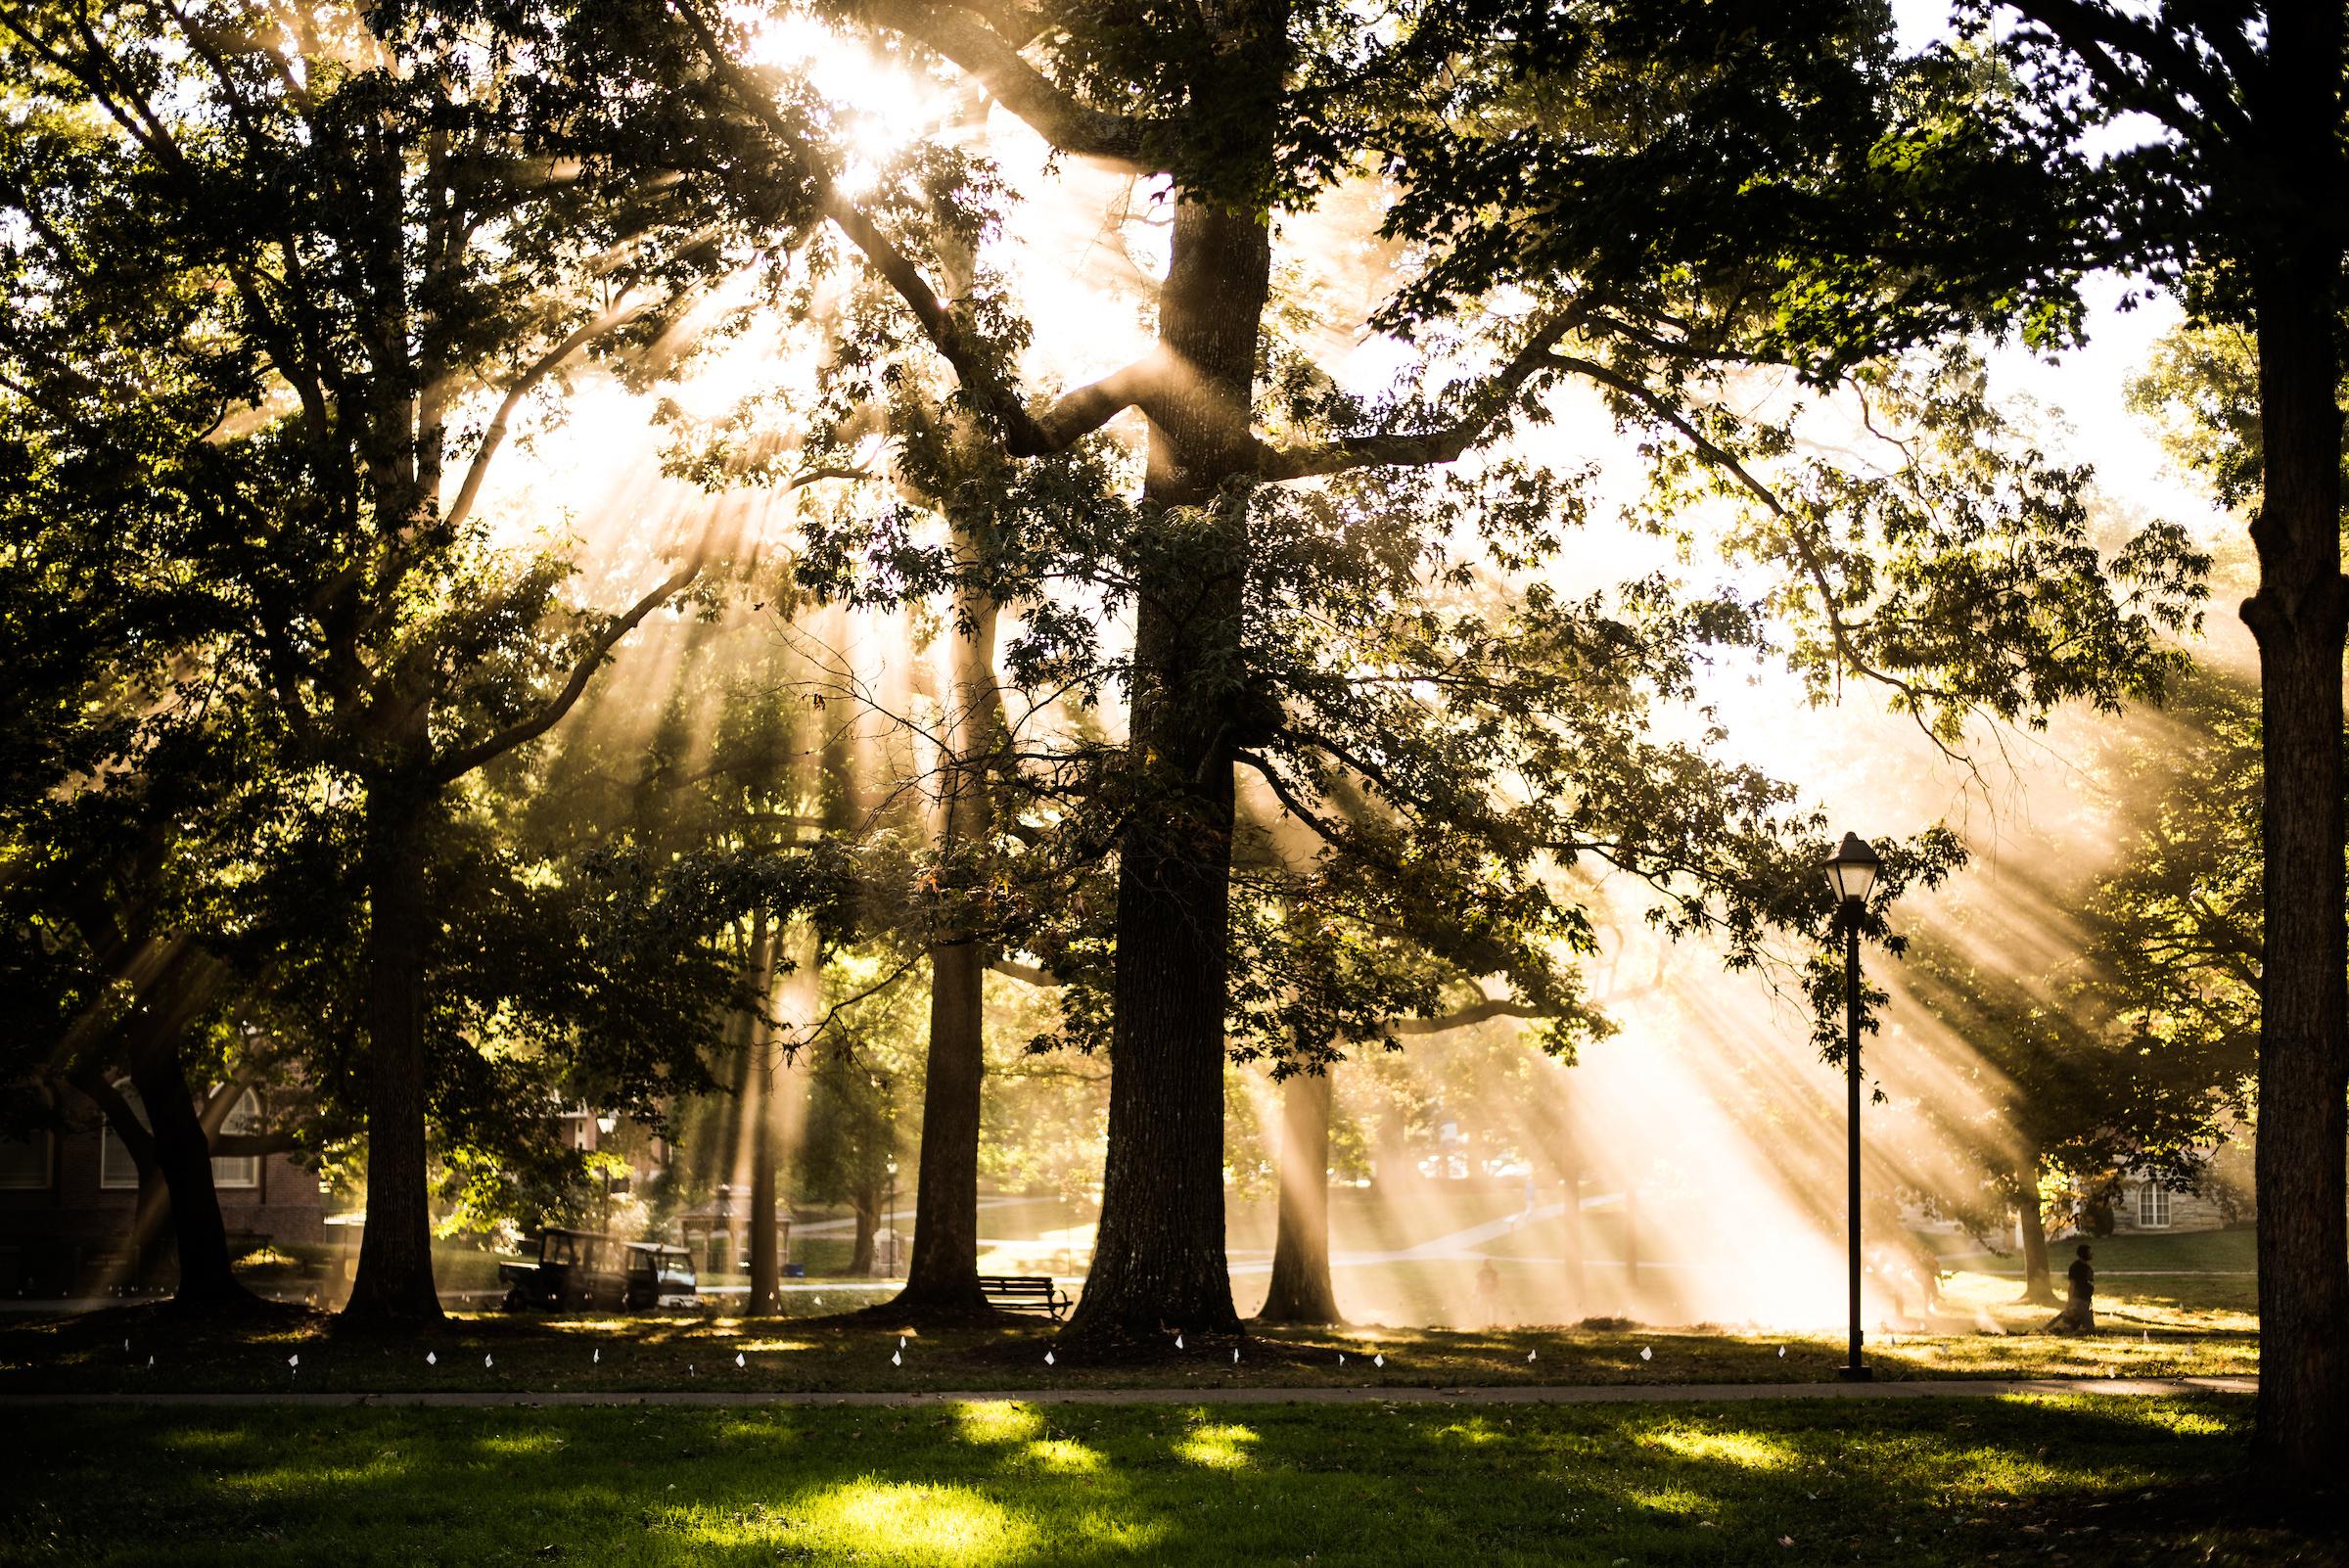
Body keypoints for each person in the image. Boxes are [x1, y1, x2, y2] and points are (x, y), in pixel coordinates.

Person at [2045, 1243, 2097, 1333]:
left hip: (2085, 1301)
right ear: (2084, 1253)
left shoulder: (2086, 1267)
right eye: (2089, 1252)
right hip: (2078, 1300)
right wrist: (2070, 1300)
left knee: (2078, 1322)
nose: (2092, 1254)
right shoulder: (2076, 1267)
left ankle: (2053, 1329)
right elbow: (2072, 1284)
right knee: (2074, 1320)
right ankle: (2051, 1330)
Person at [1475, 1257, 1502, 1326]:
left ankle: (1493, 1322)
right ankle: (1486, 1322)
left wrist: (1498, 1289)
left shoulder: (1492, 1272)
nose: (1490, 1265)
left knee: (1493, 1307)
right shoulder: (1482, 1272)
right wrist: (1477, 1290)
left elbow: (1496, 1281)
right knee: (1486, 1308)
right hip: (1485, 1292)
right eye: (1489, 1263)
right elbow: (1479, 1282)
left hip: (1491, 1292)